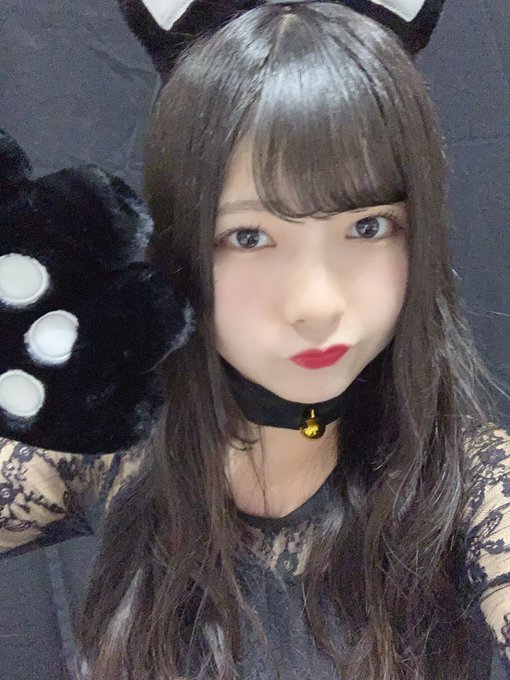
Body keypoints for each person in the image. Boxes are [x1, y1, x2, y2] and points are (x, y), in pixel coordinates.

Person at [1, 2, 509, 679]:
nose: (315, 305)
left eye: (367, 228)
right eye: (249, 237)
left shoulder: (478, 490)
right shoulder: (110, 452)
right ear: (180, 248)